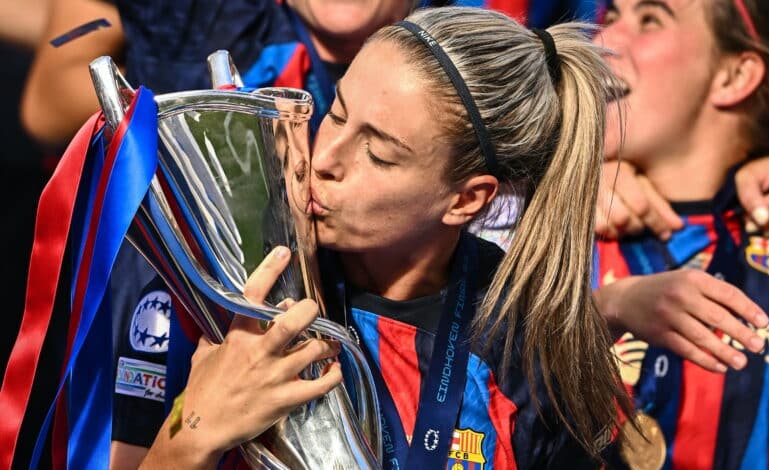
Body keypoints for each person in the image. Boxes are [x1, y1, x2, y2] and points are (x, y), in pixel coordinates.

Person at [135, 6, 635, 468]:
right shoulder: (221, 277)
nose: (326, 160)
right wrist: (193, 431)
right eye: (335, 113)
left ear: (466, 200)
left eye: (378, 154)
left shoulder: (531, 352)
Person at [590, 0, 769, 467]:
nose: (601, 42)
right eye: (611, 17)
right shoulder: (534, 220)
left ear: (734, 77)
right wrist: (605, 310)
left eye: (650, 19)